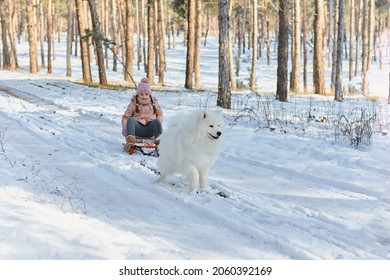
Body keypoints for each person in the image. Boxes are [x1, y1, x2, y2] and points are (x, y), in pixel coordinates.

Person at [121, 77, 163, 151]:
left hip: (150, 129)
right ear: (138, 94)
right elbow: (125, 117)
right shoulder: (133, 103)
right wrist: (126, 130)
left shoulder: (154, 103)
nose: (144, 96)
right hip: (138, 129)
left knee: (156, 121)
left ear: (149, 94)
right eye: (141, 94)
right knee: (130, 120)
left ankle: (160, 141)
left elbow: (159, 114)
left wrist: (158, 123)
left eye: (146, 94)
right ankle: (130, 140)